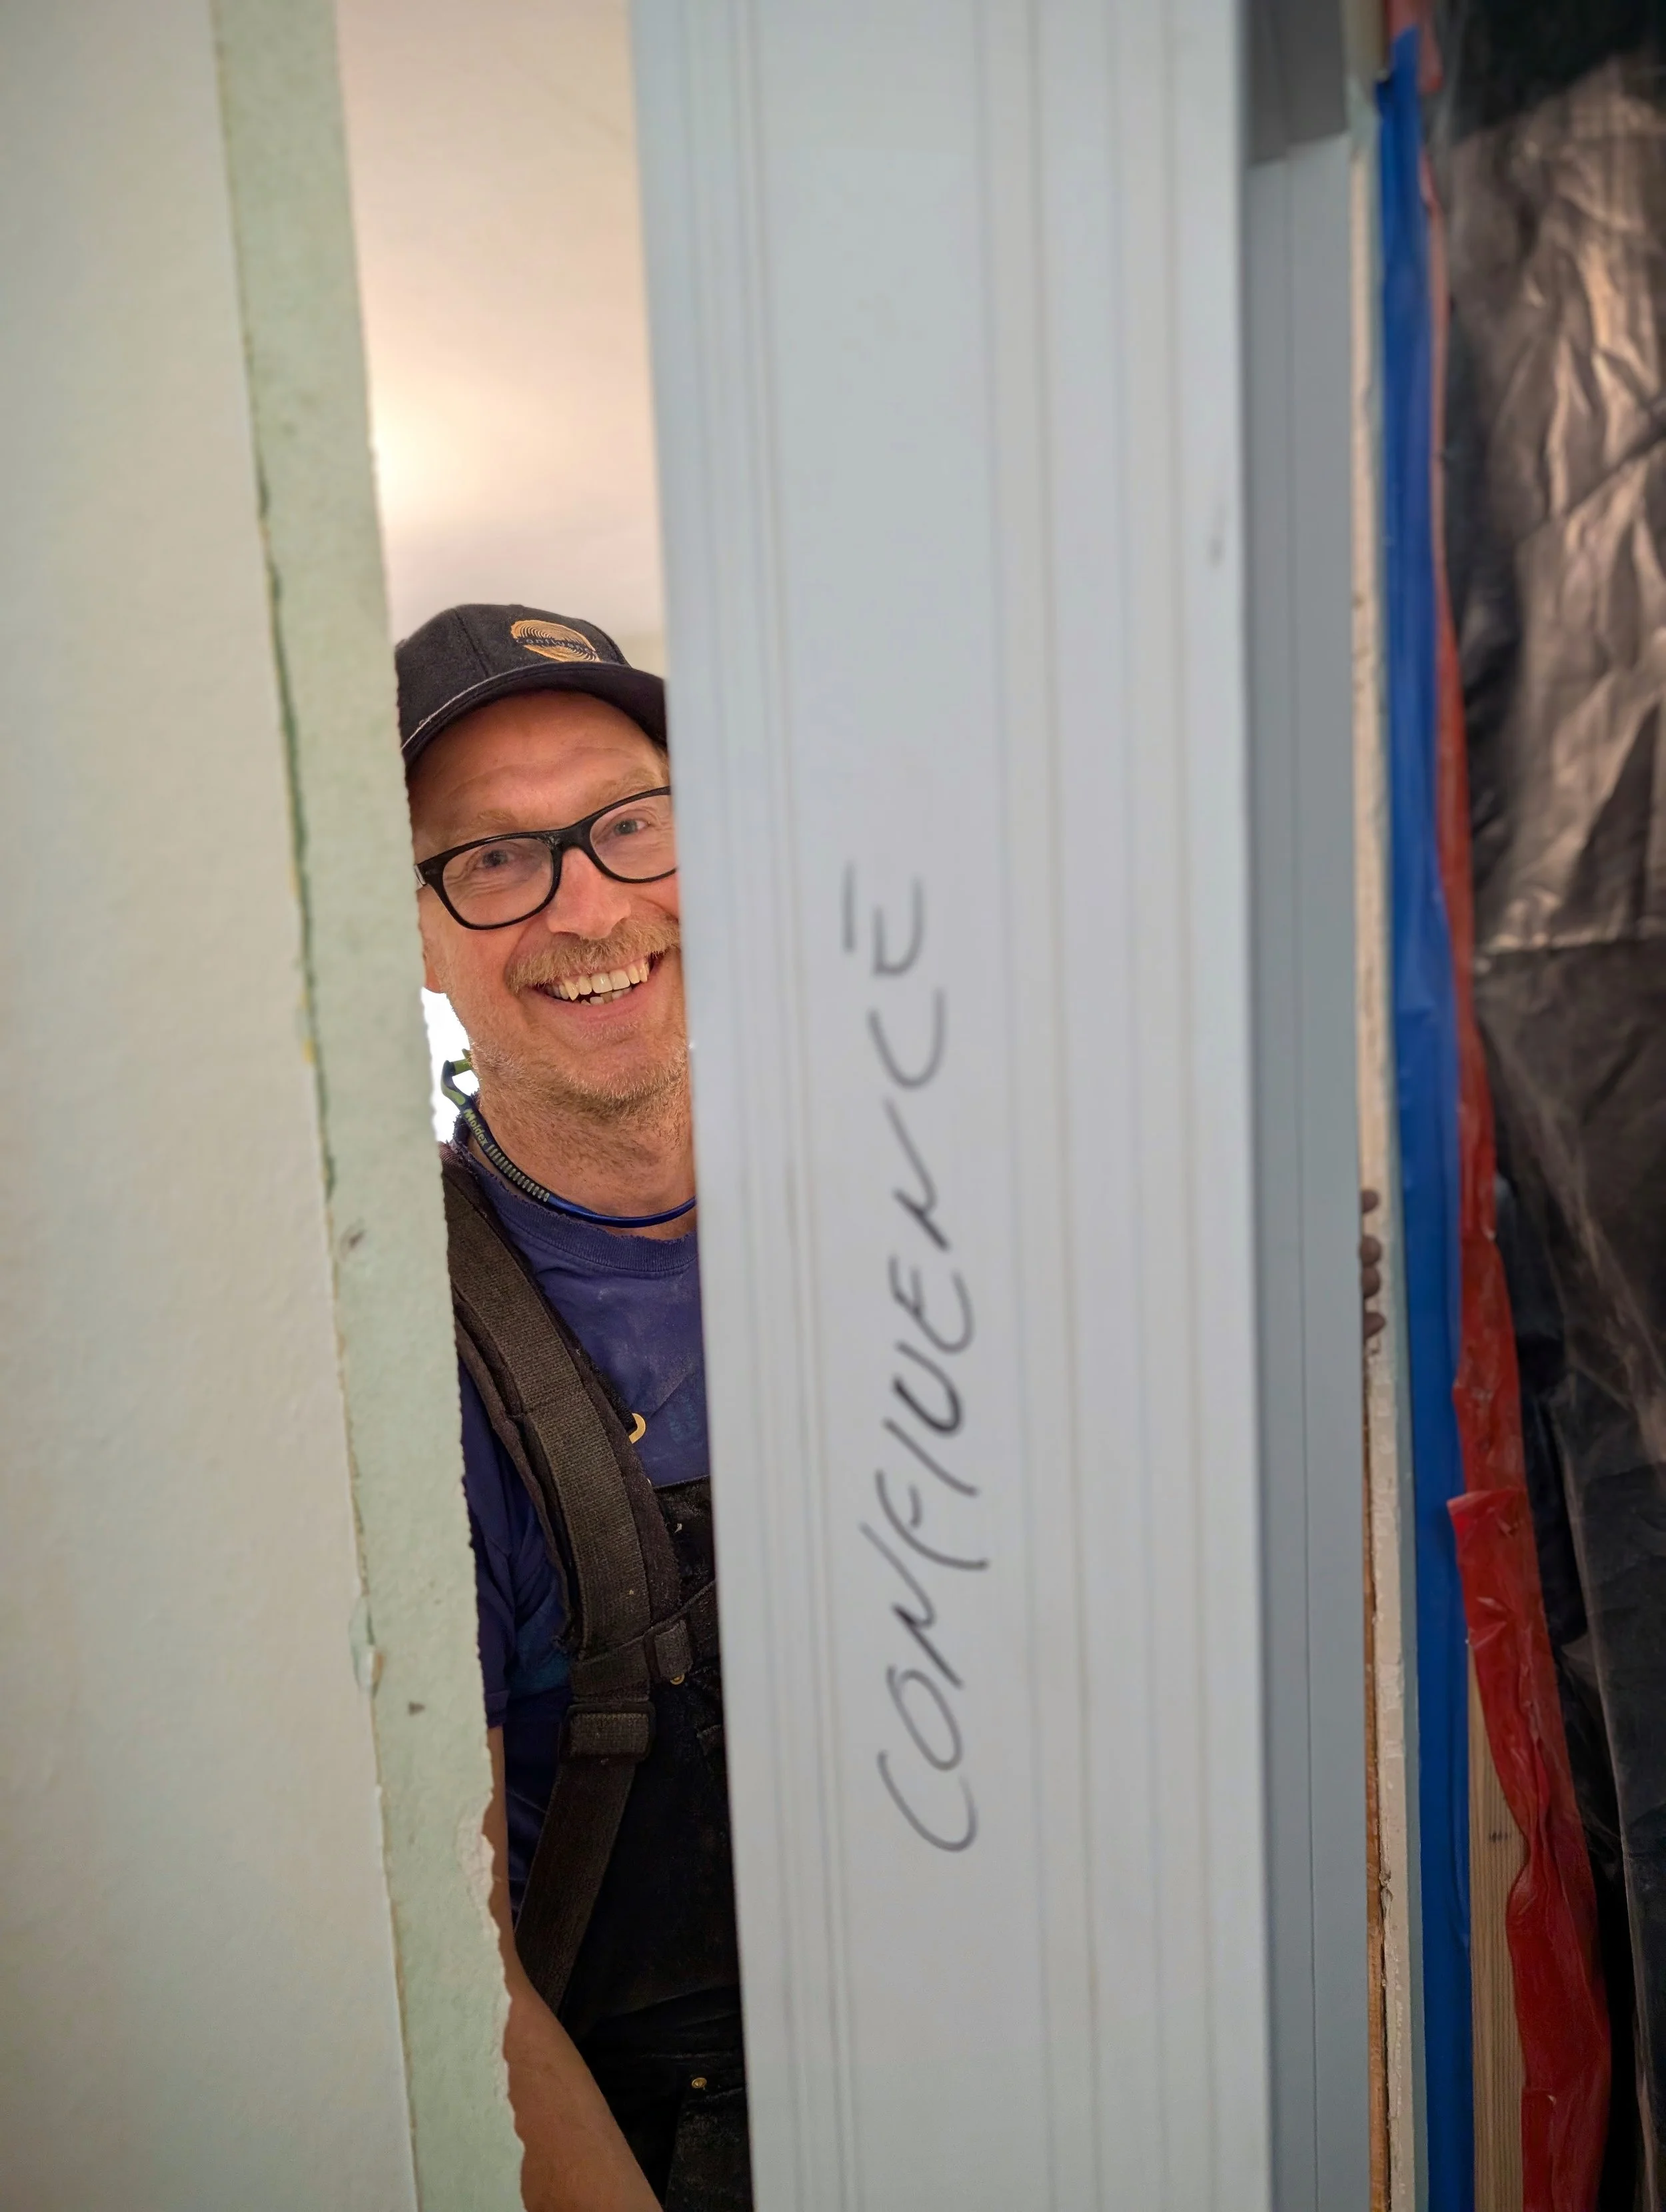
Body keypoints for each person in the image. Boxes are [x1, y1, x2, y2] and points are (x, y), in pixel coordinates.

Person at [400, 604, 747, 2212]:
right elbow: (450, 1964)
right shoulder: (405, 1349)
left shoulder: (926, 1204)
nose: (588, 904)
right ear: (405, 929)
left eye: (630, 824)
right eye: (491, 857)